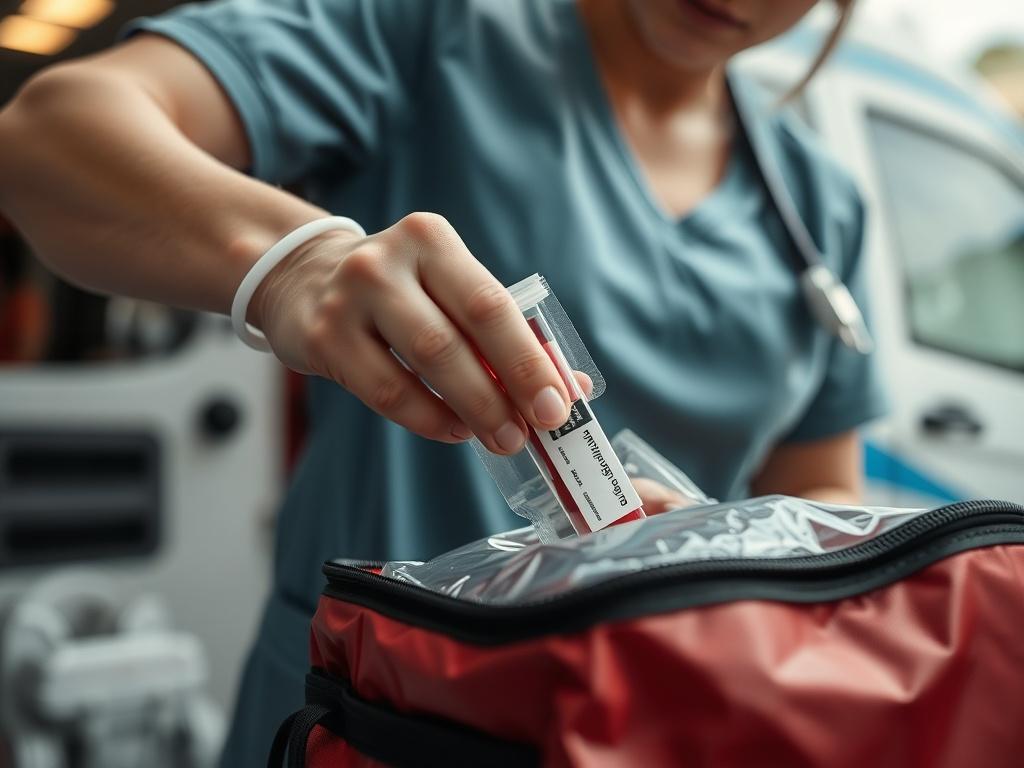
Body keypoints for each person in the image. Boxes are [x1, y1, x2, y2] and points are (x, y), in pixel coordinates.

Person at [0, 0, 886, 762]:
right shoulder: (432, 31)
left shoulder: (820, 204)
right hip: (368, 717)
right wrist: (292, 263)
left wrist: (724, 546)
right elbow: (44, 139)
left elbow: (818, 487)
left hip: (645, 725)